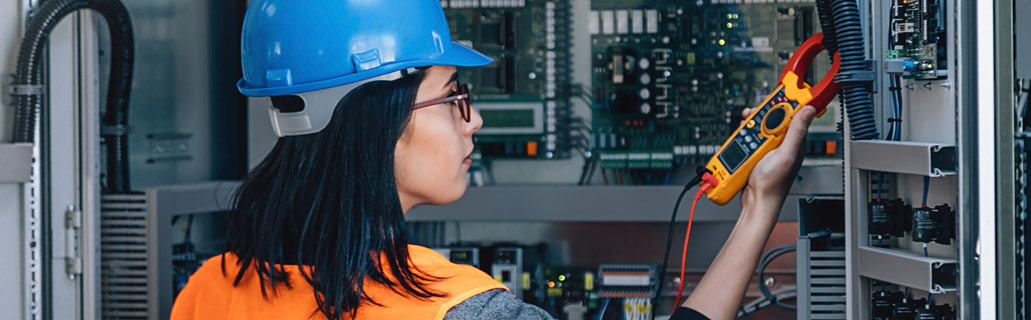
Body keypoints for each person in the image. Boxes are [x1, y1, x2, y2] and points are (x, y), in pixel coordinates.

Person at [170, 1, 816, 319]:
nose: (473, 119)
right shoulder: (459, 308)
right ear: (378, 124)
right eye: (454, 98)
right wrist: (761, 203)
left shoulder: (208, 290)